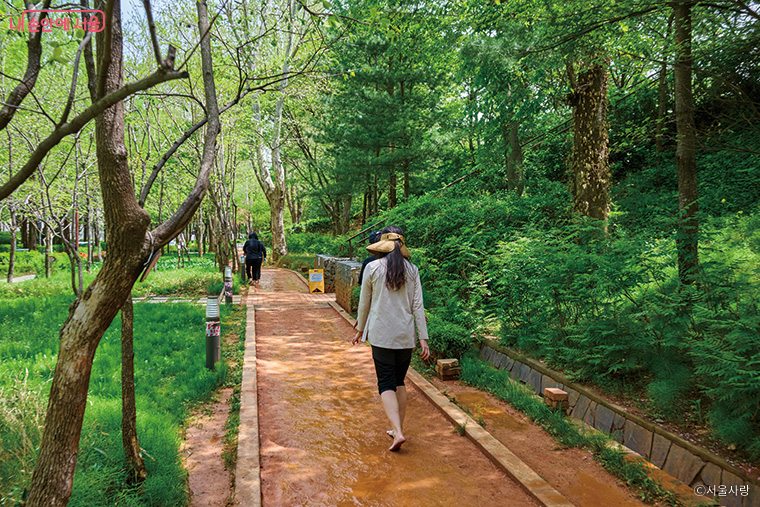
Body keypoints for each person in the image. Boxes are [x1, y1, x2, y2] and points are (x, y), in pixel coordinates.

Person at [351, 225, 430, 452]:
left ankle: (397, 431)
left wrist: (360, 329)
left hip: (381, 334)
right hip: (405, 335)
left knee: (385, 383)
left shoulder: (373, 267)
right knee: (399, 382)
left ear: (382, 245)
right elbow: (418, 306)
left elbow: (364, 303)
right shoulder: (412, 270)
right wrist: (423, 338)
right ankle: (397, 429)